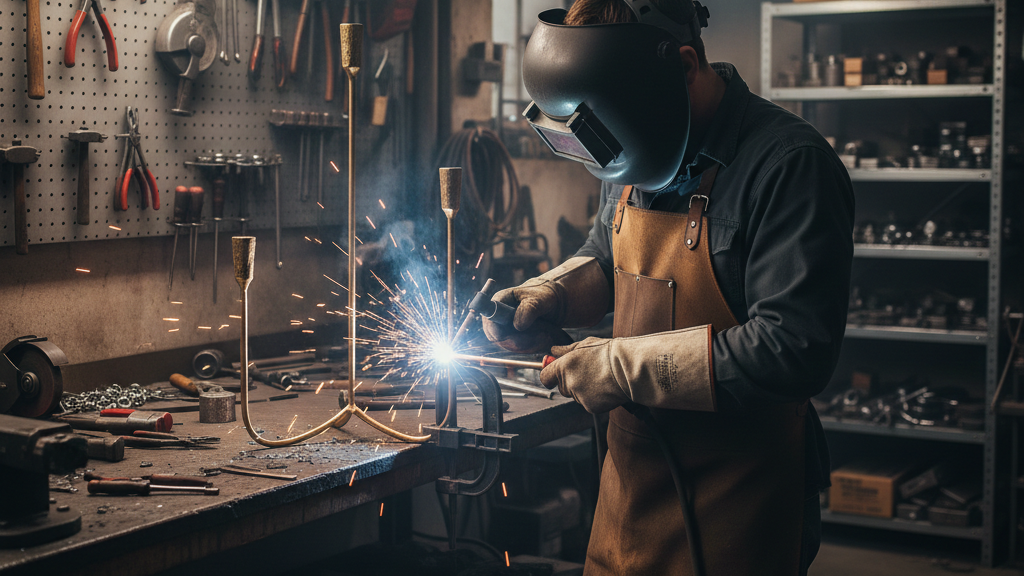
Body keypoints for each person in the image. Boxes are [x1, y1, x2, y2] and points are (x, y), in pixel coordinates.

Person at [482, 1, 855, 575]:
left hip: (741, 499)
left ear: (683, 67)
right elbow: (608, 258)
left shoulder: (789, 165)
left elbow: (794, 349)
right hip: (631, 488)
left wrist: (619, 366)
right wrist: (549, 292)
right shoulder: (638, 140)